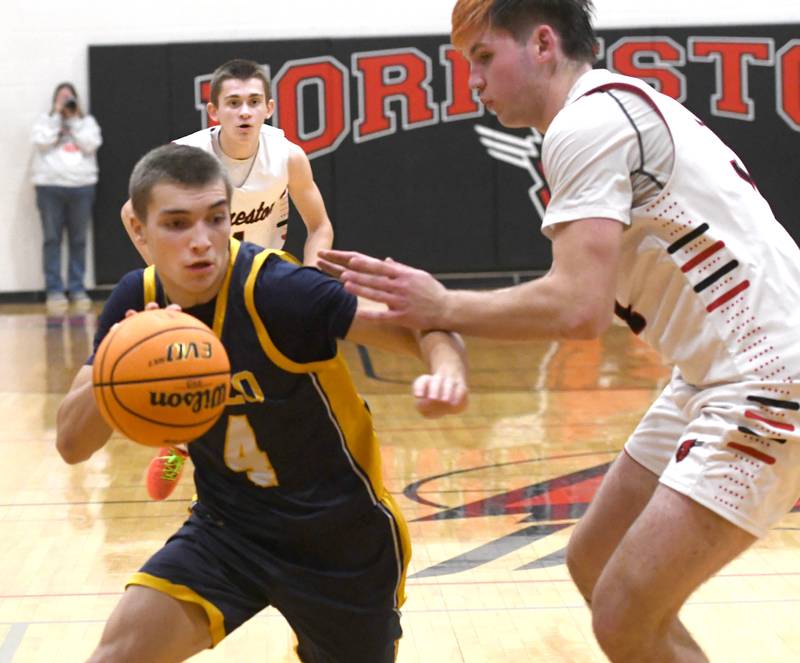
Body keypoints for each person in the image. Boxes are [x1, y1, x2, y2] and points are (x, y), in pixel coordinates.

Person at [317, 1, 800, 661]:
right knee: (592, 560)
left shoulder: (587, 122)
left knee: (625, 609)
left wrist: (439, 303)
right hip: (711, 373)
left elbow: (579, 309)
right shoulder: (607, 109)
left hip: (769, 376)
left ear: (543, 43)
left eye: (484, 58)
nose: (474, 82)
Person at [56, 143, 467, 662]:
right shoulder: (135, 301)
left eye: (216, 219)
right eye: (177, 224)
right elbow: (72, 445)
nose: (202, 242)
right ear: (139, 230)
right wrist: (115, 363)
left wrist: (448, 371)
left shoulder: (278, 289)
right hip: (229, 532)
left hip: (339, 541)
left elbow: (426, 326)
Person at [120, 58, 336, 500]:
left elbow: (320, 226)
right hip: (205, 277)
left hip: (266, 274)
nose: (244, 112)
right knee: (198, 375)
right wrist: (165, 272)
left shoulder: (288, 156)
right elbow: (130, 214)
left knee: (288, 378)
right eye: (234, 103)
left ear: (269, 108)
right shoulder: (188, 158)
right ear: (214, 111)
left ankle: (291, 468)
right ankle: (179, 444)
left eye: (254, 102)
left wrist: (312, 278)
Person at [32, 82, 103, 313]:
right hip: (50, 187)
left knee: (78, 240)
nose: (66, 102)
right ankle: (54, 290)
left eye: (69, 98)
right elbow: (41, 143)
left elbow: (91, 145)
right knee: (51, 239)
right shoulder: (45, 121)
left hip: (81, 187)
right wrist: (57, 117)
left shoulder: (86, 123)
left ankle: (77, 288)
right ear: (55, 100)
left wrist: (72, 120)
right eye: (61, 98)